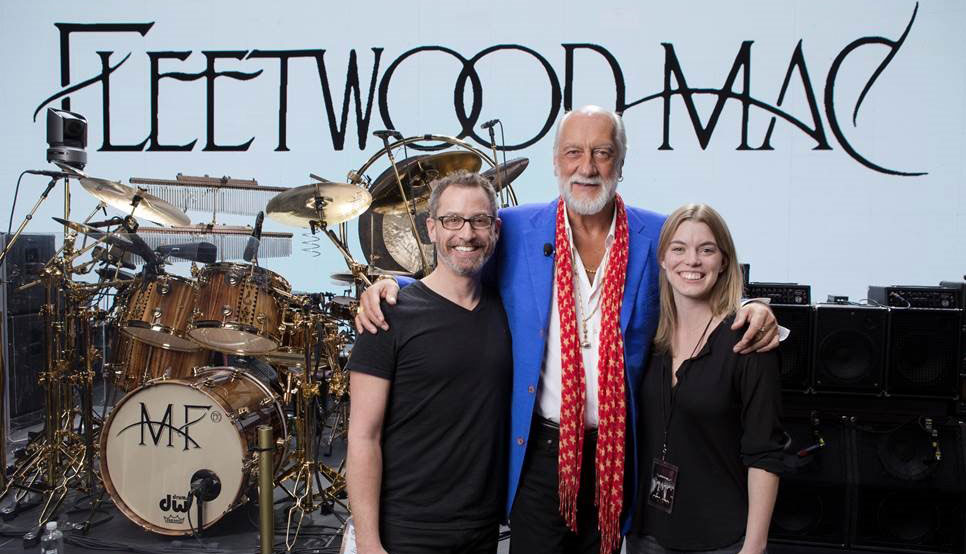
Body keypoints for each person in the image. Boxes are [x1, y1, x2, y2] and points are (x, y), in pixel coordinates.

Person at [356, 106, 781, 554]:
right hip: (541, 448)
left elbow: (698, 277)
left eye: (602, 152)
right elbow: (456, 267)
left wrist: (752, 306)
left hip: (618, 451)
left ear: (621, 162)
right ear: (555, 161)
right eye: (574, 152)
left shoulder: (656, 233)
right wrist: (394, 287)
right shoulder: (516, 228)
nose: (587, 167)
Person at [345, 170, 512, 554]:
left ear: (496, 229)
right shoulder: (388, 315)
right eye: (452, 220)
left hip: (481, 529)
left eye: (479, 220)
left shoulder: (508, 314)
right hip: (406, 530)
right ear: (431, 229)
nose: (466, 234)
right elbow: (362, 437)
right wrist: (369, 543)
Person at [626, 204, 784, 554]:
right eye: (679, 249)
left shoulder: (749, 341)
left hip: (720, 539)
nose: (692, 261)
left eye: (706, 250)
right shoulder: (646, 337)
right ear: (663, 260)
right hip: (646, 535)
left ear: (723, 261)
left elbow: (765, 454)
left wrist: (754, 547)